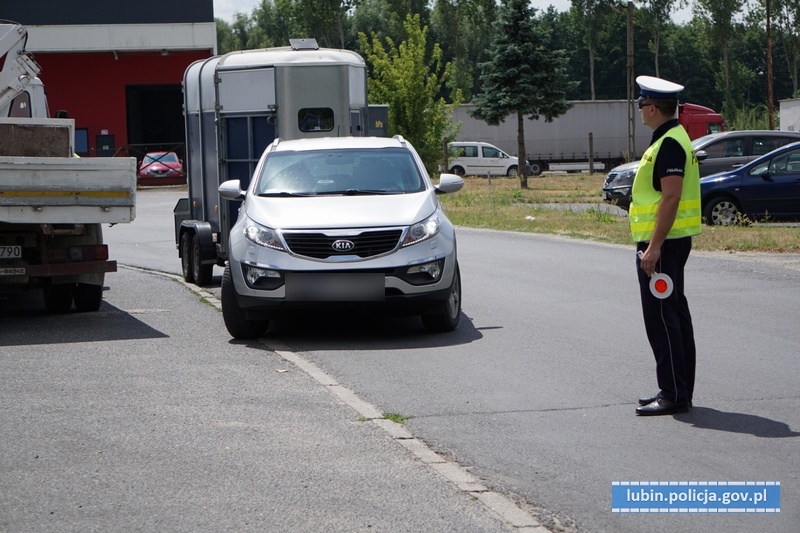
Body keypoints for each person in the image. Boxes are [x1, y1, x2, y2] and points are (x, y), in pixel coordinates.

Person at [630, 75, 702, 416]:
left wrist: (653, 247)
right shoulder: (671, 139)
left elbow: (671, 197)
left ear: (654, 108)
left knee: (662, 318)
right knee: (673, 313)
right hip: (669, 242)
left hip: (664, 245)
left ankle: (673, 392)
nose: (640, 109)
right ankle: (677, 389)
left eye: (641, 104)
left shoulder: (669, 143)